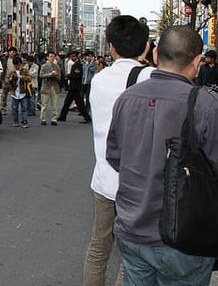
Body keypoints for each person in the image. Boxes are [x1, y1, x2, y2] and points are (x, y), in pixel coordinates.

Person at [106, 25, 218, 284]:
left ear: (155, 55)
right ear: (197, 61)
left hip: (131, 229)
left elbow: (115, 157)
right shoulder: (205, 103)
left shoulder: (127, 98)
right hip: (184, 235)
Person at [83, 15, 153, 286]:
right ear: (145, 47)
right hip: (139, 186)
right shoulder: (150, 77)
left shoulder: (99, 79)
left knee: (98, 249)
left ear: (110, 46)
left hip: (104, 180)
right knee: (132, 255)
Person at [57, 51, 91, 123]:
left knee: (79, 103)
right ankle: (62, 116)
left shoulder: (77, 64)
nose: (72, 58)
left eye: (74, 56)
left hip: (75, 86)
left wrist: (68, 76)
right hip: (73, 86)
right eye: (71, 56)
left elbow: (77, 75)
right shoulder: (76, 64)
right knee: (68, 102)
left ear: (77, 56)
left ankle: (87, 117)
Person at [39, 52, 62, 126]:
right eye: (50, 56)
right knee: (44, 104)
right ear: (47, 57)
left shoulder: (57, 67)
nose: (52, 58)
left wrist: (55, 75)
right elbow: (41, 75)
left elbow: (59, 78)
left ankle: (54, 119)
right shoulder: (44, 66)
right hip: (46, 86)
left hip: (55, 87)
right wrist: (49, 74)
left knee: (55, 105)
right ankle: (43, 119)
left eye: (53, 57)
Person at [8, 56, 32, 128]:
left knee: (24, 108)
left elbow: (30, 78)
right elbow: (6, 80)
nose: (17, 66)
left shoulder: (24, 70)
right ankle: (16, 121)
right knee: (14, 108)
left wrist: (23, 77)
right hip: (14, 92)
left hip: (23, 91)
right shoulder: (11, 71)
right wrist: (10, 79)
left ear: (20, 64)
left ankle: (24, 121)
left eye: (18, 65)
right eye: (15, 65)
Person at [81, 50, 98, 114]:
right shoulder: (83, 63)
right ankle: (82, 110)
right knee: (81, 96)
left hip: (89, 83)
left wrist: (90, 63)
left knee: (88, 98)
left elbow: (92, 70)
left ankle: (87, 110)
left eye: (90, 56)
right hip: (83, 82)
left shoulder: (94, 64)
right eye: (87, 56)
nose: (88, 57)